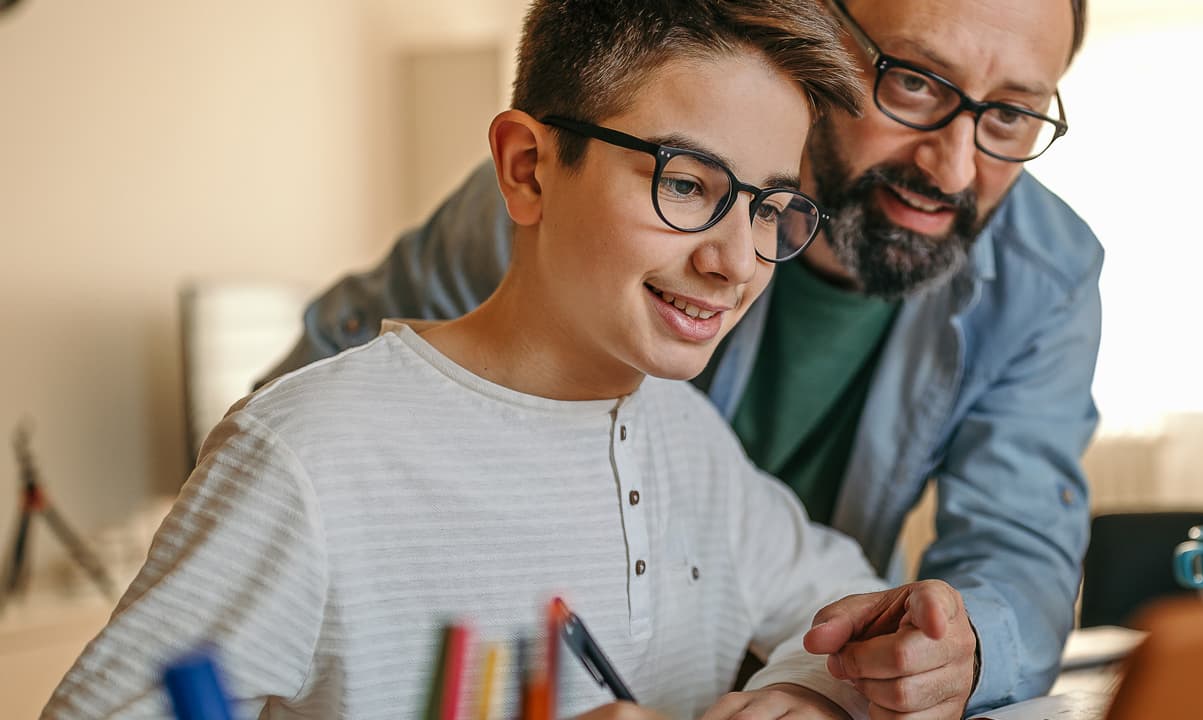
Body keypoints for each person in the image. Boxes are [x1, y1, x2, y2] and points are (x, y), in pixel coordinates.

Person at [42, 2, 978, 718]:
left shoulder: (686, 440)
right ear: (529, 169)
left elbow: (855, 605)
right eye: (687, 184)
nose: (734, 261)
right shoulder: (311, 455)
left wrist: (809, 690)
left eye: (769, 208)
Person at [266, 0, 1100, 712]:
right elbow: (333, 418)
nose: (954, 165)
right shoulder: (574, 184)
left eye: (1011, 115)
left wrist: (905, 666)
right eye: (915, 81)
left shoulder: (1045, 274)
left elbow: (1009, 549)